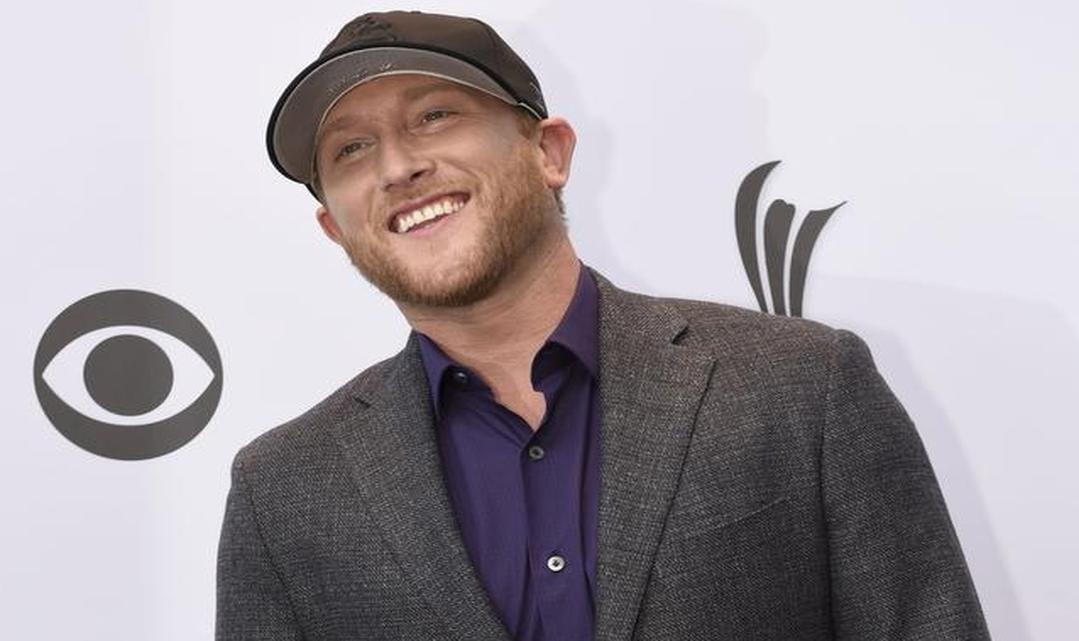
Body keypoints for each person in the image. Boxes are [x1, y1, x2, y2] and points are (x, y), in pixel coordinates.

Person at [216, 10, 990, 641]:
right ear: (333, 226)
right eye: (351, 148)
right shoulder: (283, 489)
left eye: (435, 115)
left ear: (549, 152)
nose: (396, 166)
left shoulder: (803, 388)